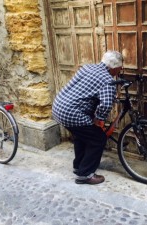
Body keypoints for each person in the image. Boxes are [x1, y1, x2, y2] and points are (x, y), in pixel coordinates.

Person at [52, 51, 123, 185]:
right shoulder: (107, 81)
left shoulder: (87, 67)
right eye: (120, 68)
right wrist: (98, 118)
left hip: (59, 106)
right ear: (114, 67)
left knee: (82, 135)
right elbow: (106, 104)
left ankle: (78, 166)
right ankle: (85, 175)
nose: (121, 70)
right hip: (71, 113)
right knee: (98, 138)